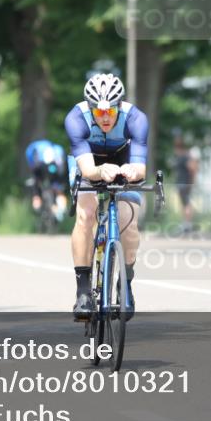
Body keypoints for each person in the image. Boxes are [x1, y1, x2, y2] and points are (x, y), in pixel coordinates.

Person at [65, 72, 148, 321]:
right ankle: (83, 291)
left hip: (123, 160)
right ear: (90, 108)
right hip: (89, 162)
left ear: (119, 107)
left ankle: (126, 283)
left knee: (128, 223)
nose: (104, 117)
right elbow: (88, 170)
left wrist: (132, 171)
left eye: (110, 111)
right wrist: (99, 171)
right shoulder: (76, 119)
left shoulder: (136, 119)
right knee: (86, 215)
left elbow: (141, 168)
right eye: (99, 112)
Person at [25, 139, 68, 217]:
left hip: (49, 164)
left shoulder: (33, 150)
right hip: (52, 164)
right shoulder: (55, 149)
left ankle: (37, 200)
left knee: (37, 184)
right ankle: (59, 209)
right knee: (57, 187)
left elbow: (34, 171)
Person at [172, 135, 200, 232]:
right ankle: (186, 223)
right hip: (182, 183)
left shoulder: (184, 156)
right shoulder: (182, 156)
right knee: (184, 203)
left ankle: (187, 224)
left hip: (184, 183)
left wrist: (192, 182)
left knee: (186, 203)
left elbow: (193, 168)